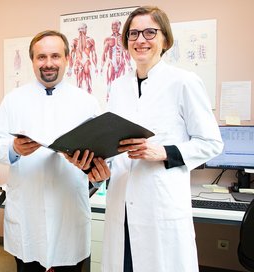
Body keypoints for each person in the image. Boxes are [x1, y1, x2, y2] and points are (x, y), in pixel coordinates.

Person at [92, 6, 223, 272]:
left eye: (150, 32)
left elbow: (211, 143)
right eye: (133, 34)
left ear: (165, 39)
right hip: (121, 205)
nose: (141, 40)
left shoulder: (184, 82)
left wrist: (163, 152)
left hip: (161, 207)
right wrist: (97, 164)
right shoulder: (118, 87)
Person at [0, 30, 110, 272]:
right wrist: (14, 148)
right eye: (41, 57)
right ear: (32, 60)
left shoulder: (86, 102)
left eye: (55, 56)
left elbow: (103, 155)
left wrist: (91, 164)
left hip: (69, 212)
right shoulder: (14, 100)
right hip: (27, 214)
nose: (48, 63)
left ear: (67, 58)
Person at [100, 19, 132, 99]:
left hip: (121, 63)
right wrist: (101, 66)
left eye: (116, 25)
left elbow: (126, 52)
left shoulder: (123, 39)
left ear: (119, 26)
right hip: (111, 63)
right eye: (113, 26)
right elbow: (104, 53)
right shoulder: (108, 39)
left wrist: (129, 65)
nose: (114, 27)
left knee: (120, 81)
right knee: (110, 80)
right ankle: (109, 96)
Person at [67, 23, 98, 94]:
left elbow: (93, 54)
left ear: (86, 29)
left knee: (89, 84)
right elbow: (72, 55)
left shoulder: (90, 40)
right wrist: (70, 68)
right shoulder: (75, 41)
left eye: (82, 28)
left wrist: (96, 66)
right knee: (78, 84)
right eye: (79, 29)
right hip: (78, 62)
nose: (80, 30)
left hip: (87, 62)